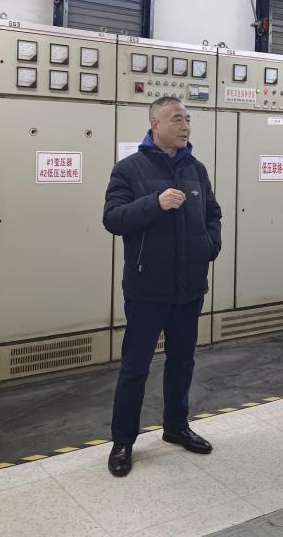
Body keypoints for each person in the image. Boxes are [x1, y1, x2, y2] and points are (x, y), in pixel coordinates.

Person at [102, 96, 222, 478]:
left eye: (187, 119)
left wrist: (210, 246)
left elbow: (213, 214)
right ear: (155, 124)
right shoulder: (129, 169)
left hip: (190, 287)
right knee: (135, 367)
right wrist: (155, 202)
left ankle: (176, 426)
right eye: (177, 119)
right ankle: (123, 441)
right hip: (146, 288)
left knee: (182, 362)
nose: (185, 126)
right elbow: (113, 218)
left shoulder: (196, 169)